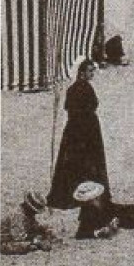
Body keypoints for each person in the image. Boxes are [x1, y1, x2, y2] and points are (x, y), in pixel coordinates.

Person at [48, 58, 110, 208]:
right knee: (85, 161)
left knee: (76, 161)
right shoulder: (83, 88)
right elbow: (78, 110)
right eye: (90, 71)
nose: (92, 73)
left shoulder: (75, 89)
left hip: (76, 130)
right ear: (81, 73)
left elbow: (69, 109)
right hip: (85, 130)